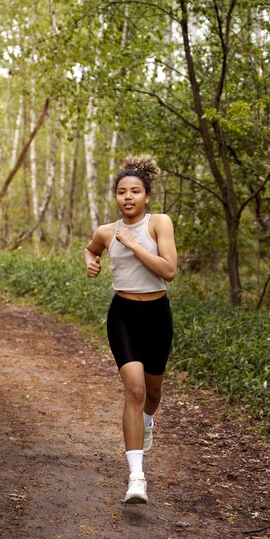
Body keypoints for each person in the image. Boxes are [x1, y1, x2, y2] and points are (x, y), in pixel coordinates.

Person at [84, 154, 177, 504]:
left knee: (152, 394)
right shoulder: (106, 231)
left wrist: (134, 244)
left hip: (157, 315)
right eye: (121, 191)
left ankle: (147, 421)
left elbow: (168, 271)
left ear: (146, 196)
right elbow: (89, 250)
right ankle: (136, 478)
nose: (127, 197)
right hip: (122, 314)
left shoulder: (159, 223)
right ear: (116, 197)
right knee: (134, 392)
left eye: (135, 191)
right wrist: (91, 263)